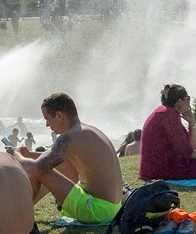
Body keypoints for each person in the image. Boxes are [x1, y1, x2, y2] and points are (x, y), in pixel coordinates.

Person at [9, 92, 123, 225]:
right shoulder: (88, 131)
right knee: (58, 165)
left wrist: (15, 154)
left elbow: (35, 168)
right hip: (113, 208)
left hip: (97, 211)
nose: (46, 125)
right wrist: (28, 154)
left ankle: (18, 215)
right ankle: (19, 213)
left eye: (47, 118)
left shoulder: (68, 137)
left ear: (59, 115)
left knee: (42, 171)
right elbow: (54, 158)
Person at [139, 84, 196, 181]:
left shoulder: (166, 112)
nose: (189, 102)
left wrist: (192, 124)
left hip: (159, 165)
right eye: (188, 98)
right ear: (180, 101)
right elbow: (187, 153)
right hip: (161, 168)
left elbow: (191, 148)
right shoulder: (169, 115)